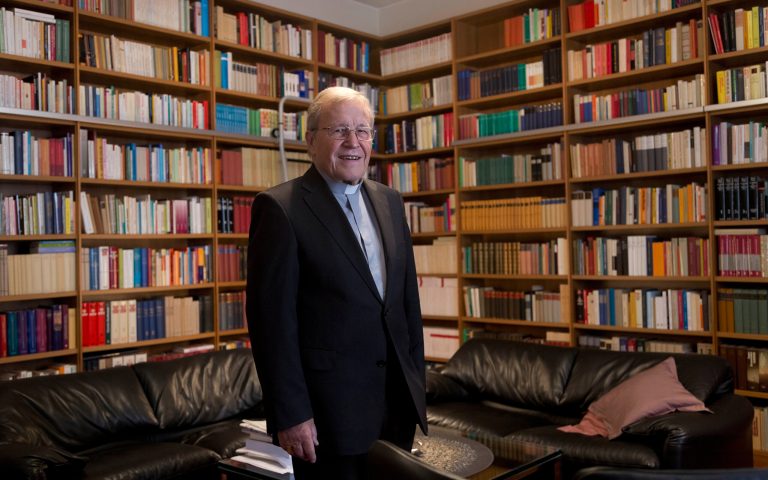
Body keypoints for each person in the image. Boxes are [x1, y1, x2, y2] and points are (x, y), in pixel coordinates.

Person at [246, 86, 427, 479]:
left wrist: (416, 383)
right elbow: (271, 326)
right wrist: (291, 414)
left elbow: (406, 304)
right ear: (311, 139)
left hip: (395, 407)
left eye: (362, 131)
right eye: (339, 130)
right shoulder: (280, 208)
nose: (353, 142)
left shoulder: (390, 201)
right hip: (328, 417)